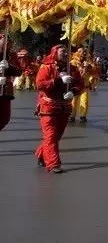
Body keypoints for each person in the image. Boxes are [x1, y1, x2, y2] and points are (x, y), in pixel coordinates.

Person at [35, 44, 83, 173]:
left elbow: (80, 83)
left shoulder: (72, 68)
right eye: (62, 51)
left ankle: (41, 154)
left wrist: (73, 91)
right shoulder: (46, 67)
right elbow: (40, 84)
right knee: (50, 136)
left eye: (67, 52)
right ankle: (53, 164)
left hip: (65, 106)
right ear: (55, 53)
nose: (65, 53)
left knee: (56, 136)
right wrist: (58, 80)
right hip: (49, 106)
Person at [1, 36, 23, 131]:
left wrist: (9, 67)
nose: (7, 43)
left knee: (4, 118)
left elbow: (19, 71)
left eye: (9, 42)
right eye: (4, 41)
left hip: (6, 91)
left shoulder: (12, 55)